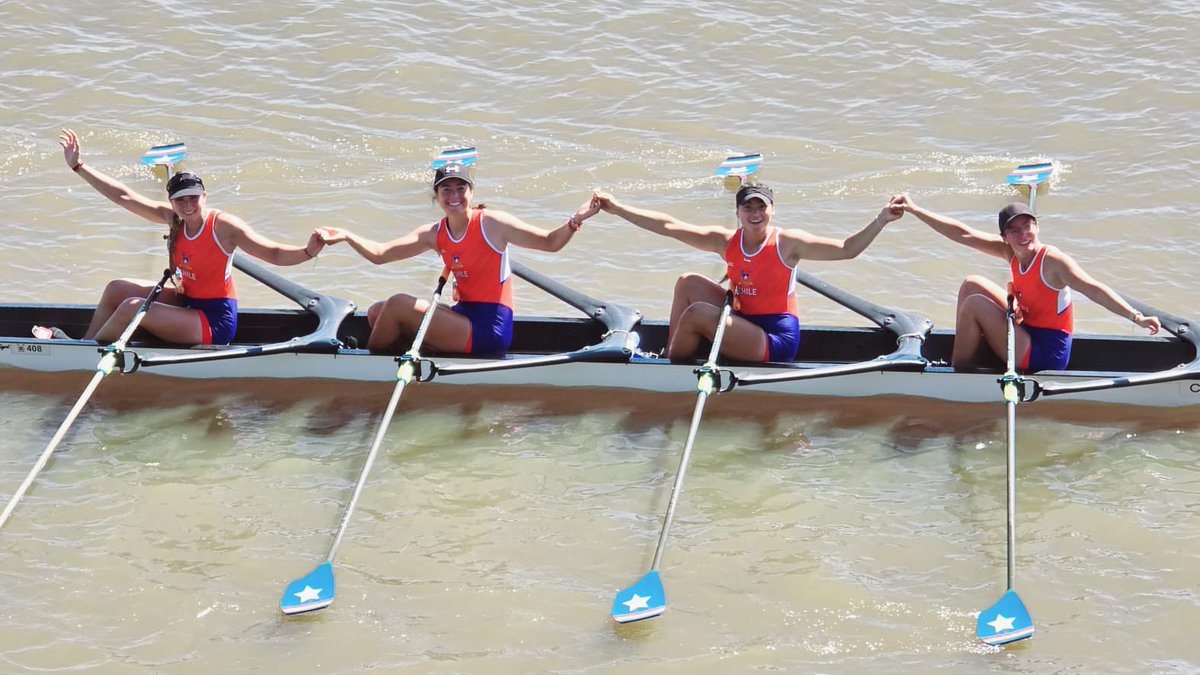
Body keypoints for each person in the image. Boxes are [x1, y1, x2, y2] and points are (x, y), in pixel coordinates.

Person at [45, 130, 326, 346]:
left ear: (204, 196)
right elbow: (124, 196)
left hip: (214, 321)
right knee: (116, 288)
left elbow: (274, 253)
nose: (188, 205)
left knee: (131, 308)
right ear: (171, 201)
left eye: (194, 198)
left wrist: (308, 251)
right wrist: (79, 166)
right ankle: (84, 345)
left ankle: (89, 352)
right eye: (180, 200)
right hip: (186, 300)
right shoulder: (174, 218)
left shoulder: (224, 227)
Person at [590, 184, 902, 362]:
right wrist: (618, 208)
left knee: (698, 312)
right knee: (688, 283)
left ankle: (672, 366)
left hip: (775, 338)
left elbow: (847, 249)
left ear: (772, 210)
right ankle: (672, 354)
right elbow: (668, 226)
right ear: (738, 213)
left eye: (761, 207)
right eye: (748, 208)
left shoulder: (788, 244)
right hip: (743, 319)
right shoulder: (726, 242)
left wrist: (881, 219)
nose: (755, 214)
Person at [315, 162, 597, 354]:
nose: (454, 196)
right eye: (446, 189)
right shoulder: (435, 233)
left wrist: (576, 219)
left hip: (490, 329)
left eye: (461, 188)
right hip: (463, 316)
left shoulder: (493, 224)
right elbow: (380, 255)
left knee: (398, 305)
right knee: (378, 311)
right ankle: (413, 354)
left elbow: (550, 243)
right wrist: (347, 236)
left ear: (471, 193)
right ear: (436, 196)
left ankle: (371, 363)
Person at [889, 194, 1161, 371]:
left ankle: (958, 372)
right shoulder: (1010, 251)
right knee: (971, 284)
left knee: (974, 305)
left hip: (1047, 354)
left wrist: (1136, 317)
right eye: (1014, 230)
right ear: (1005, 237)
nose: (1023, 235)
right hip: (1027, 329)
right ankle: (968, 357)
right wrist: (914, 209)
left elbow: (1094, 289)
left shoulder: (1054, 262)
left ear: (1037, 226)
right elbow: (962, 234)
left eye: (1027, 226)